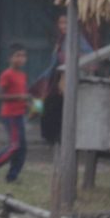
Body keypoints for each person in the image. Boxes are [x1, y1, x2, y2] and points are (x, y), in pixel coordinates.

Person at [34, 14, 94, 145]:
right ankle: (47, 134)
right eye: (61, 23)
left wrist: (67, 59)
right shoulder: (61, 40)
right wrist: (43, 77)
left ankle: (55, 137)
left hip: (68, 79)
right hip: (54, 77)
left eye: (66, 23)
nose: (63, 26)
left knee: (56, 106)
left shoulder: (78, 39)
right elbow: (53, 62)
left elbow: (89, 56)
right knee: (39, 100)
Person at [0, 43, 30, 182]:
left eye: (23, 56)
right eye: (17, 56)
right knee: (15, 146)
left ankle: (12, 177)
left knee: (22, 148)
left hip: (19, 114)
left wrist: (28, 104)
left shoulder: (22, 75)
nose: (21, 59)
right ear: (10, 58)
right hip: (10, 115)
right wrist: (19, 97)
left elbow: (22, 94)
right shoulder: (6, 74)